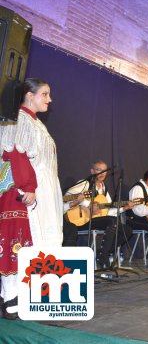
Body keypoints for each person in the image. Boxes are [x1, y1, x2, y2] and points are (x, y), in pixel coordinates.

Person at [0, 78, 62, 320]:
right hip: (30, 190)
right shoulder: (18, 119)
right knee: (22, 240)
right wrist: (28, 186)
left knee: (38, 240)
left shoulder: (36, 123)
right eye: (44, 94)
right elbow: (15, 154)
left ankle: (32, 294)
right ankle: (11, 296)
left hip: (45, 188)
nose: (49, 99)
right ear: (29, 95)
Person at [62, 160, 134, 269]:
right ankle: (102, 257)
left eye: (104, 171)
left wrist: (124, 208)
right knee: (112, 221)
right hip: (81, 220)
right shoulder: (85, 183)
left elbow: (109, 211)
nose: (102, 173)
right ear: (92, 171)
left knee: (127, 230)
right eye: (98, 170)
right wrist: (88, 204)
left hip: (94, 219)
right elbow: (68, 196)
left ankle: (104, 252)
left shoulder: (104, 189)